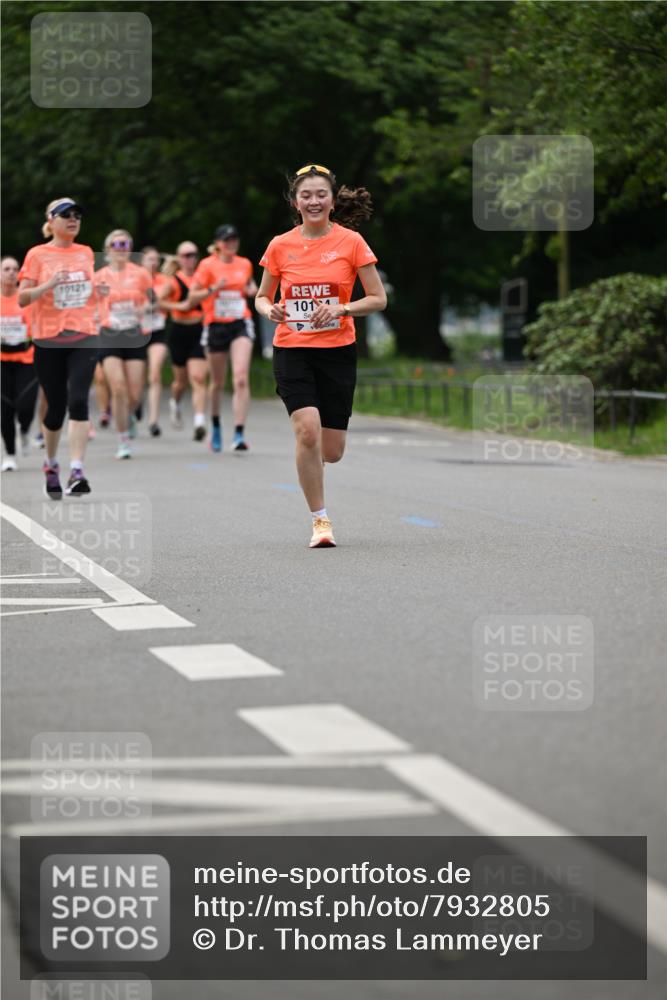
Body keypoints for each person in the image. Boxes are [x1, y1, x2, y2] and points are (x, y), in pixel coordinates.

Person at [255, 165, 386, 547]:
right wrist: (269, 310)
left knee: (332, 449)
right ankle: (320, 521)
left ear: (331, 200)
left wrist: (342, 309)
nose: (313, 201)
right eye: (306, 195)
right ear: (295, 202)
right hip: (292, 348)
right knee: (307, 430)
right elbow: (263, 296)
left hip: (337, 351)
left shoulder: (352, 242)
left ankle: (310, 460)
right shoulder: (280, 244)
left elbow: (378, 298)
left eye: (320, 194)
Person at [18, 197, 102, 498]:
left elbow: (85, 292)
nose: (73, 219)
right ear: (50, 220)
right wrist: (49, 285)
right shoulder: (37, 255)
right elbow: (22, 298)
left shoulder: (85, 253)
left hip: (83, 335)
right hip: (49, 339)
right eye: (65, 214)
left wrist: (98, 292)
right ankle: (51, 464)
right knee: (55, 408)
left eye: (77, 214)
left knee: (78, 400)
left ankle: (77, 470)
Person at [190, 225, 257, 452]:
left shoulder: (245, 263)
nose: (231, 243)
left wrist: (252, 290)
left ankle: (239, 433)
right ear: (218, 243)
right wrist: (212, 289)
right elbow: (193, 296)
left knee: (240, 378)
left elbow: (251, 286)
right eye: (227, 240)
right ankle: (216, 426)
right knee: (217, 382)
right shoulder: (207, 265)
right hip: (215, 324)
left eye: (234, 239)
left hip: (240, 323)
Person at [95, 230, 151, 459]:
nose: (121, 247)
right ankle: (123, 439)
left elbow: (151, 298)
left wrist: (143, 308)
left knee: (134, 394)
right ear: (108, 249)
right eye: (116, 244)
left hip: (134, 333)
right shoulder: (98, 276)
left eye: (125, 243)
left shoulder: (141, 274)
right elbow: (90, 303)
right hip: (109, 334)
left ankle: (128, 416)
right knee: (117, 386)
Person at [158, 242, 208, 440]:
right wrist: (180, 305)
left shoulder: (202, 278)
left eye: (194, 255)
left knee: (198, 378)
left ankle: (199, 421)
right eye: (186, 255)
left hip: (199, 329)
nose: (190, 259)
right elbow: (159, 301)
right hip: (179, 331)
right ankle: (175, 402)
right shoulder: (173, 281)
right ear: (179, 258)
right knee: (181, 381)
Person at [1, 256, 38, 471]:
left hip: (26, 359)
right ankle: (9, 454)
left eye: (15, 269)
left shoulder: (25, 300)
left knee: (24, 406)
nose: (11, 272)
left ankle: (24, 430)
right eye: (6, 268)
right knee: (5, 408)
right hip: (2, 360)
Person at [141, 246, 170, 436]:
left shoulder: (165, 280)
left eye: (156, 259)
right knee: (134, 380)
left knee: (154, 374)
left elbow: (161, 299)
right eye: (149, 259)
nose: (153, 262)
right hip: (136, 332)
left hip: (158, 330)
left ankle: (153, 420)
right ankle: (135, 405)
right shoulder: (132, 278)